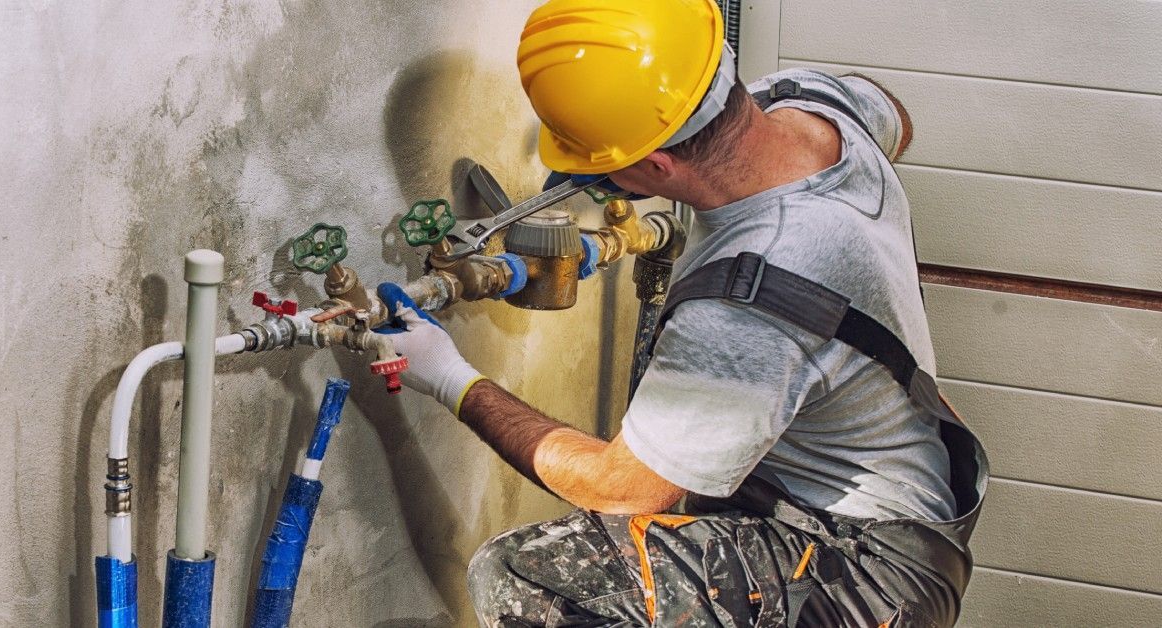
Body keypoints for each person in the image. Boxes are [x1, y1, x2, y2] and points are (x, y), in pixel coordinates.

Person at [375, 0, 988, 626]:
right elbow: (894, 114)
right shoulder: (810, 102)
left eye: (596, 162)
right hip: (885, 496)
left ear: (656, 165)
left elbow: (620, 488)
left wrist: (449, 377)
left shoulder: (745, 307)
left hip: (864, 575)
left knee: (521, 575)